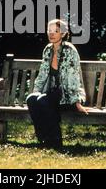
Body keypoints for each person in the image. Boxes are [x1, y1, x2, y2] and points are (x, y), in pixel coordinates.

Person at [26, 19, 88, 149]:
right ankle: (43, 139)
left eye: (56, 31)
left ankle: (56, 141)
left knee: (43, 101)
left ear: (63, 33)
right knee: (32, 99)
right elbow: (42, 74)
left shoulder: (70, 50)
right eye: (49, 30)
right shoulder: (48, 50)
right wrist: (35, 92)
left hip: (67, 95)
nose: (51, 34)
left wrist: (76, 101)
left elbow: (73, 77)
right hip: (52, 94)